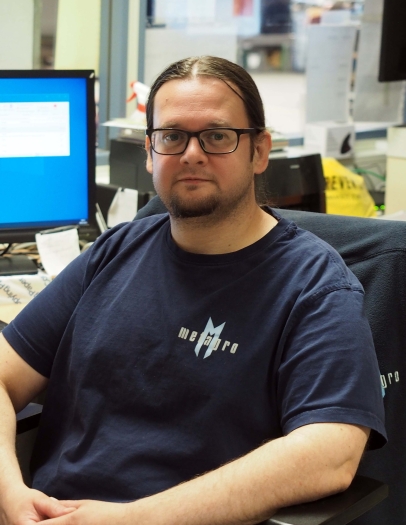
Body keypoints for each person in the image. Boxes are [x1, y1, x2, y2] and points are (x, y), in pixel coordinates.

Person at [0, 56, 386, 525]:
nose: (192, 154)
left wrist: (132, 520)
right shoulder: (115, 250)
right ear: (150, 151)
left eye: (217, 136)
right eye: (172, 136)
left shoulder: (313, 285)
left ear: (259, 151)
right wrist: (11, 495)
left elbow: (331, 453)